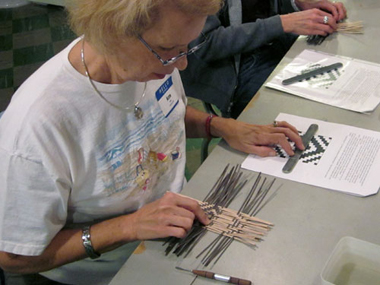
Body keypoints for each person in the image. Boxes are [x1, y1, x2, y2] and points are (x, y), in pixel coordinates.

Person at [0, 0, 304, 284]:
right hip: (109, 273)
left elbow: (160, 115)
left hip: (172, 233)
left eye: (188, 47)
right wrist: (128, 227)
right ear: (112, 30)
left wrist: (221, 126)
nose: (181, 65)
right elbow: (14, 257)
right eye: (169, 49)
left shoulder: (150, 63)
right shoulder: (38, 127)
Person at [180, 0, 347, 118]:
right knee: (298, 115)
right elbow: (205, 45)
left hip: (272, 41)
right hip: (234, 68)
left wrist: (297, 4)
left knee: (336, 77)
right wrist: (281, 23)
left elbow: (265, 7)